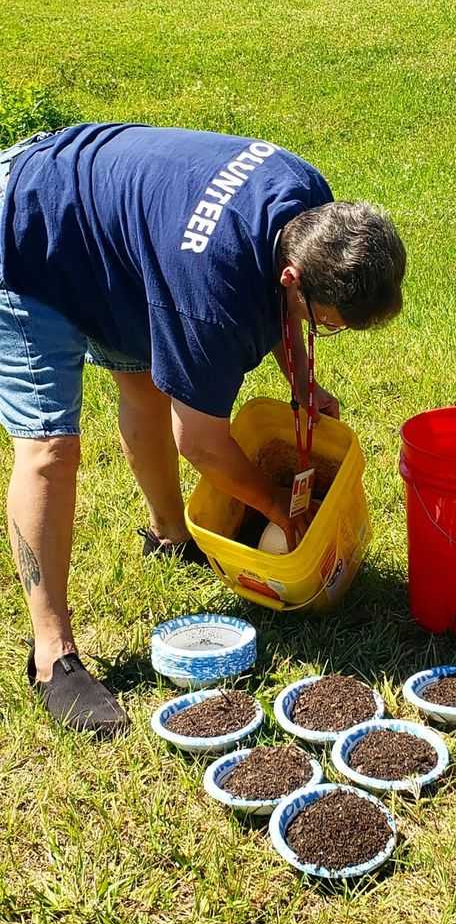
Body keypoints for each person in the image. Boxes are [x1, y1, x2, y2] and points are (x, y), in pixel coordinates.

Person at [0, 123, 406, 735]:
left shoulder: (309, 202)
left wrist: (298, 375)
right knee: (49, 448)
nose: (329, 330)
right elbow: (202, 443)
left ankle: (170, 534)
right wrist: (276, 507)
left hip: (114, 236)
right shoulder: (208, 296)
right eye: (330, 322)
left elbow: (277, 303)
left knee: (143, 380)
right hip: (27, 231)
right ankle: (52, 656)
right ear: (295, 277)